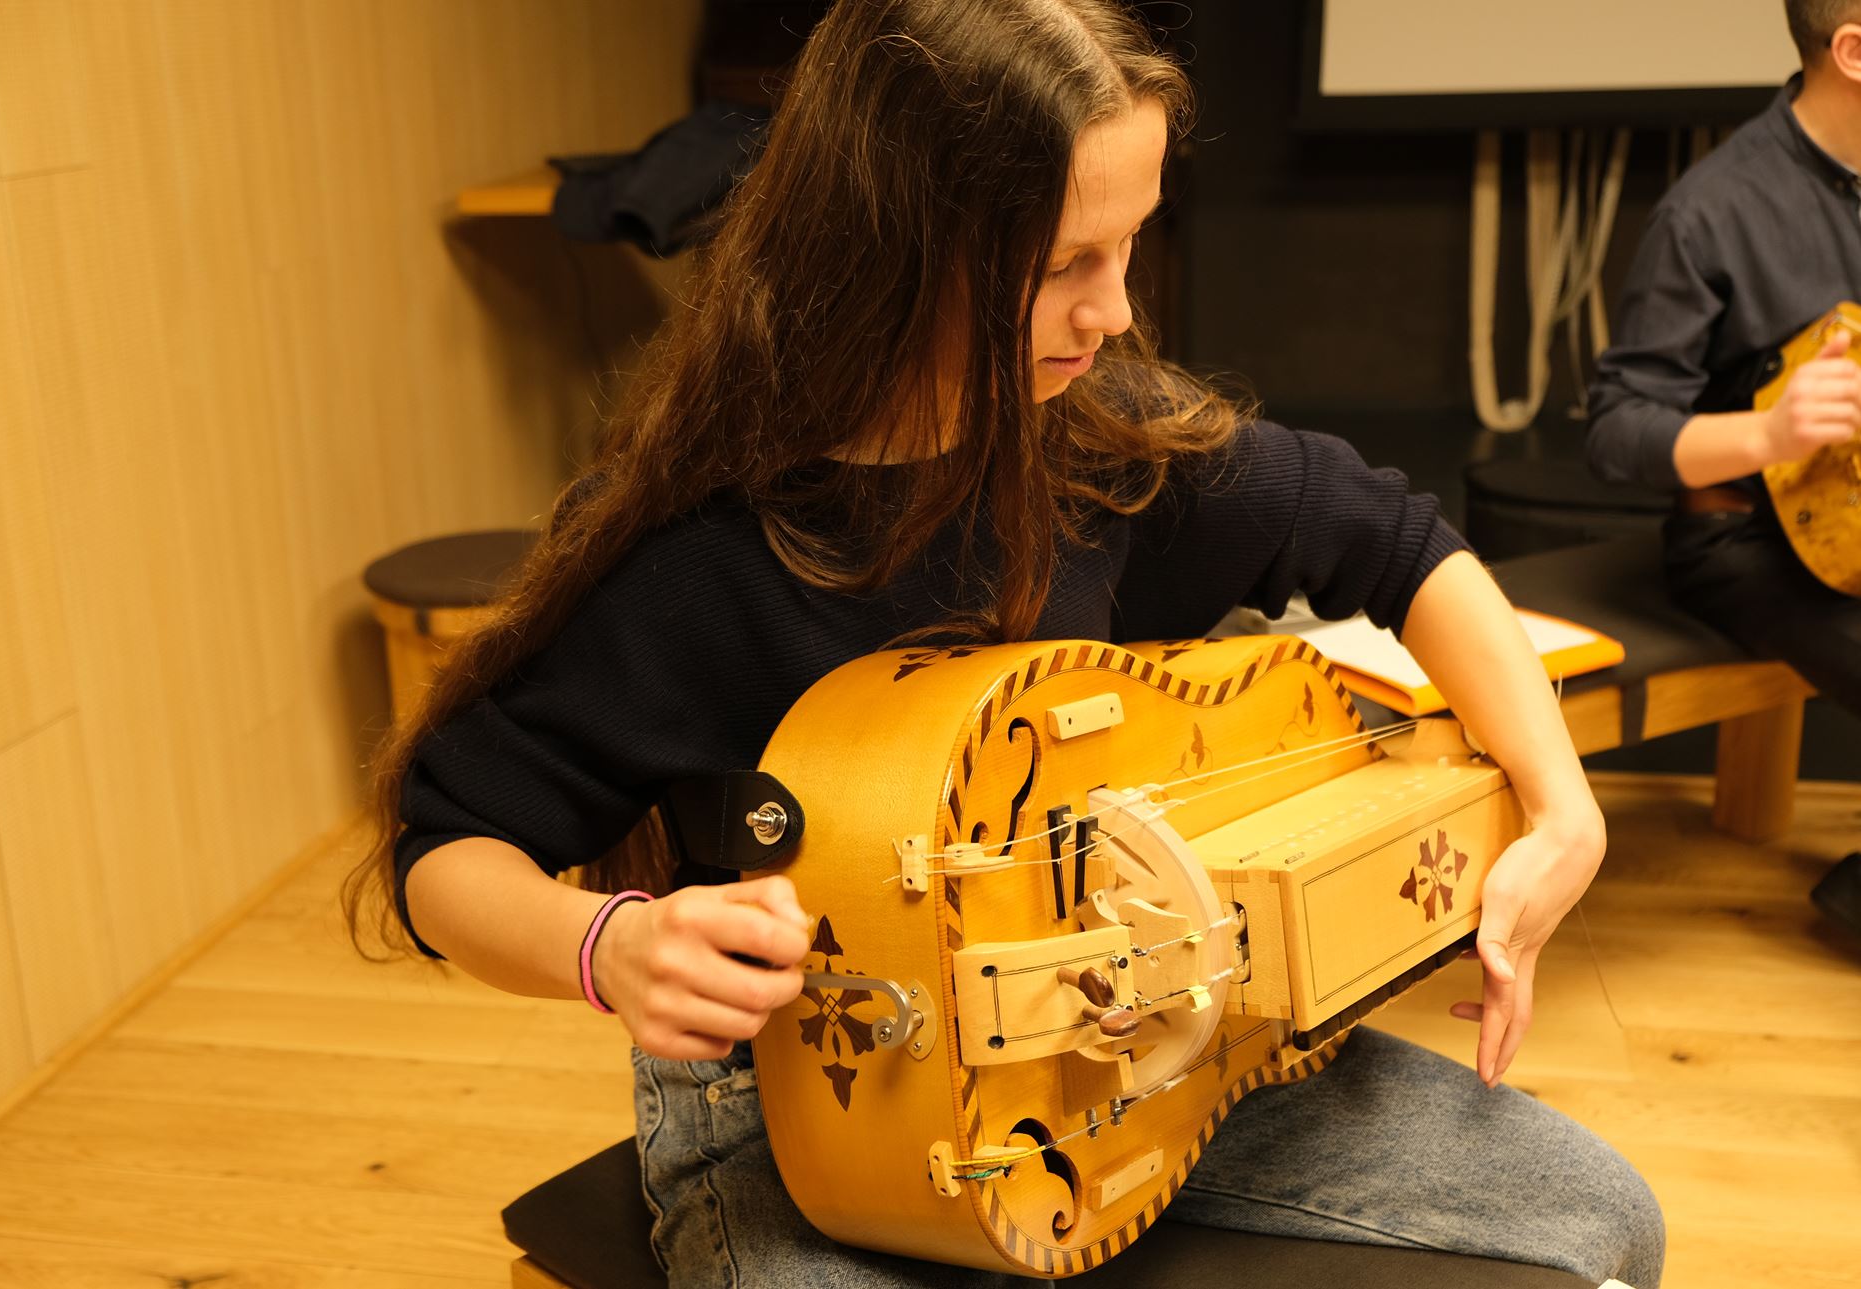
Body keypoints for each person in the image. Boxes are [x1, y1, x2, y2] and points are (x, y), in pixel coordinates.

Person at [346, 2, 1664, 1284]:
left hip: (1126, 1045)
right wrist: (609, 946)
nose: (1115, 311)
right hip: (811, 1122)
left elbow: (1396, 540)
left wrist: (1562, 806)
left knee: (1596, 1220)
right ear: (891, 251)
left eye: (1130, 245)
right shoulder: (689, 551)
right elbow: (446, 848)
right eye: (1063, 267)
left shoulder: (1098, 438)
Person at [1585, 0, 1861, 940]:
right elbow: (1617, 429)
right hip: (1743, 539)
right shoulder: (1710, 211)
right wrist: (1771, 433)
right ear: (1852, 51)